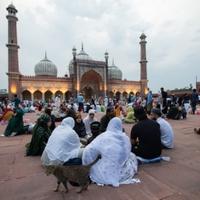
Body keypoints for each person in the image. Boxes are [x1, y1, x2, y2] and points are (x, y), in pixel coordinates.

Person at [82, 117, 138, 187]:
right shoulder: (124, 137)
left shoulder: (104, 136)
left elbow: (88, 150)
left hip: (107, 166)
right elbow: (127, 150)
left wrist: (88, 162)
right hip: (121, 164)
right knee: (132, 156)